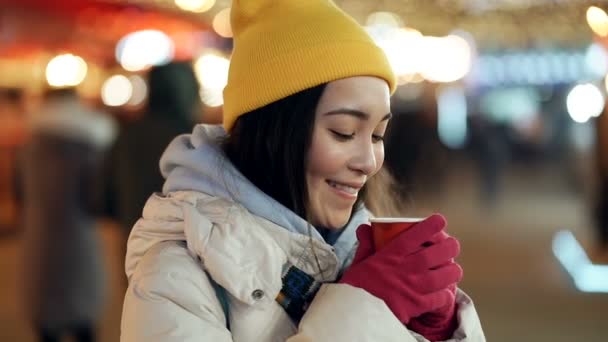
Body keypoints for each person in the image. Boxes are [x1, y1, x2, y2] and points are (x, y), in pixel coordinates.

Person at [121, 1, 485, 341]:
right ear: (275, 131)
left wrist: (436, 330)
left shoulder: (355, 249)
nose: (370, 162)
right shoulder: (173, 275)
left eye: (377, 135)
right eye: (344, 132)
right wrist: (361, 311)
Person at [19, 87, 116, 342]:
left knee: (46, 326)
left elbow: (21, 196)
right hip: (79, 246)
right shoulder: (89, 149)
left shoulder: (29, 149)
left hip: (39, 247)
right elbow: (97, 201)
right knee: (84, 325)